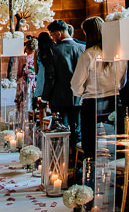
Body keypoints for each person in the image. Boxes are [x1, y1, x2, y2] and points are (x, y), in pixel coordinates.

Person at [70, 17, 126, 166]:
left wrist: (82, 93)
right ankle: (118, 171)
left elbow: (76, 83)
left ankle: (92, 172)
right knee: (117, 141)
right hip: (114, 99)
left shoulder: (88, 55)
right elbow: (123, 79)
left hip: (92, 102)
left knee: (90, 144)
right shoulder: (118, 52)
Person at [43, 19, 84, 165]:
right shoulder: (81, 48)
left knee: (61, 130)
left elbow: (51, 77)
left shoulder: (54, 50)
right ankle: (77, 161)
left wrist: (44, 97)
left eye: (52, 35)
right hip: (78, 97)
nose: (52, 38)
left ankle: (63, 162)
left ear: (59, 34)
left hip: (60, 97)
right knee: (77, 130)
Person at [15, 36, 38, 105]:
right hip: (36, 82)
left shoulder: (23, 59)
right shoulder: (38, 58)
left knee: (24, 102)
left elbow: (19, 73)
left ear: (27, 48)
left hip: (25, 82)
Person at [34, 32, 52, 104]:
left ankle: (42, 115)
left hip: (41, 78)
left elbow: (36, 70)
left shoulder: (37, 52)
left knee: (42, 104)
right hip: (51, 77)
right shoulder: (52, 50)